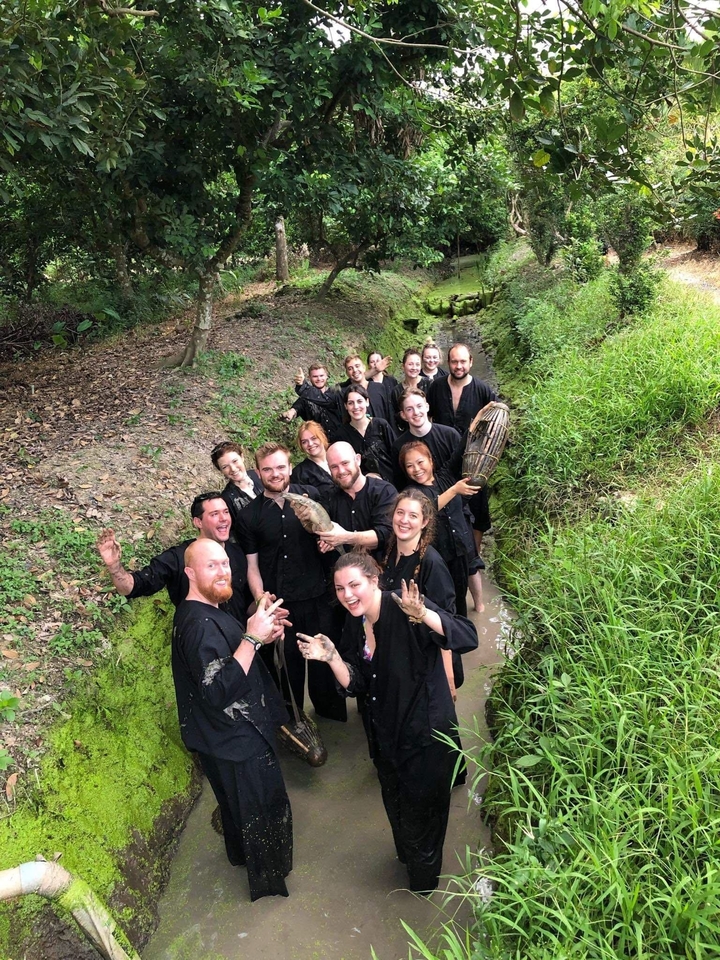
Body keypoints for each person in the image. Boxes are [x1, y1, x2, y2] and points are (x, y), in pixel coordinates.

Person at [297, 552, 478, 893]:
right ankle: (409, 864)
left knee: (423, 823)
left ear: (374, 580)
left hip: (425, 738)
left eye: (354, 585)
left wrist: (424, 615)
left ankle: (423, 891)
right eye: (340, 588)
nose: (347, 595)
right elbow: (358, 683)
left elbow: (467, 636)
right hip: (386, 740)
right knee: (398, 814)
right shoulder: (356, 621)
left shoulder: (405, 608)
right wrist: (332, 658)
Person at [172, 539, 292, 901]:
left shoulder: (209, 609)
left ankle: (241, 856)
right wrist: (252, 639)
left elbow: (228, 658)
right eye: (212, 566)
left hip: (223, 736)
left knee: (236, 807)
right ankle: (269, 885)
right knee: (261, 810)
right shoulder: (198, 624)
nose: (223, 571)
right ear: (190, 573)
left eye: (225, 563)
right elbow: (217, 690)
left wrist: (261, 637)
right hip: (235, 739)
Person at [234, 442, 347, 722]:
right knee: (286, 671)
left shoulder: (312, 497)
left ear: (290, 467)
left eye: (280, 467)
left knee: (324, 664)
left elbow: (333, 535)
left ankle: (331, 720)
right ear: (258, 472)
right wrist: (260, 598)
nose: (275, 474)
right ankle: (292, 724)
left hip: (320, 597)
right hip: (281, 606)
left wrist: (327, 542)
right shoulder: (248, 516)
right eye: (267, 469)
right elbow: (252, 565)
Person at [96, 492, 250, 625]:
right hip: (201, 638)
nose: (224, 518)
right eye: (214, 514)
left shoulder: (237, 552)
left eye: (226, 512)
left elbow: (245, 602)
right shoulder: (177, 558)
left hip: (241, 636)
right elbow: (130, 587)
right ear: (198, 522)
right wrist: (114, 565)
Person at [380, 489, 461, 696]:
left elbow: (446, 621)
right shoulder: (389, 550)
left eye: (413, 515)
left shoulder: (432, 564)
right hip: (399, 654)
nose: (404, 520)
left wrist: (448, 677)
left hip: (426, 661)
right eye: (400, 513)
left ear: (424, 522)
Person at [426, 342, 498, 559]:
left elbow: (496, 424)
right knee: (445, 509)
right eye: (454, 361)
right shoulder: (436, 387)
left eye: (463, 361)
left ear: (471, 362)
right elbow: (428, 419)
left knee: (477, 511)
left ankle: (474, 558)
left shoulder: (483, 390)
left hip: (474, 463)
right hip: (443, 461)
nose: (458, 366)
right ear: (448, 363)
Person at [398, 441, 481, 616]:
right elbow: (426, 509)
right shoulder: (412, 493)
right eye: (410, 466)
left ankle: (461, 627)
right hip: (436, 557)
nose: (416, 469)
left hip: (459, 551)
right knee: (440, 600)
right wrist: (454, 490)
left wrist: (472, 429)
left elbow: (460, 450)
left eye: (420, 462)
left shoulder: (446, 476)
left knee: (460, 596)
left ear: (431, 460)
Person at [311, 441, 396, 556]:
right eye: (334, 467)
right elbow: (318, 532)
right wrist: (325, 542)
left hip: (378, 565)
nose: (341, 471)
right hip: (340, 566)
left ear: (358, 460)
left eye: (345, 463)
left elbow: (386, 534)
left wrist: (345, 537)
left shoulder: (384, 491)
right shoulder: (328, 497)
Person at [390, 387, 460, 488]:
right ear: (403, 415)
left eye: (419, 406)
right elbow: (401, 483)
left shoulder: (450, 435)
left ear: (427, 407)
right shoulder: (398, 446)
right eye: (409, 409)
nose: (416, 412)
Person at [329, 385, 397, 484]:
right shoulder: (341, 436)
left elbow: (396, 454)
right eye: (351, 403)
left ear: (367, 402)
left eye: (359, 401)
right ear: (345, 406)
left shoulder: (381, 425)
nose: (356, 407)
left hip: (394, 484)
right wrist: (366, 475)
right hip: (363, 487)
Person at [279, 363, 344, 436]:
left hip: (340, 436)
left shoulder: (335, 393)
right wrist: (290, 413)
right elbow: (297, 407)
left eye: (321, 375)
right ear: (309, 378)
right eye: (315, 376)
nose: (319, 379)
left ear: (327, 376)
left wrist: (303, 387)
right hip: (317, 438)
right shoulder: (306, 398)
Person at [211, 441, 263, 531]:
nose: (233, 469)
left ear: (242, 457)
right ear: (221, 471)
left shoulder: (258, 475)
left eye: (235, 461)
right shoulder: (226, 500)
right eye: (225, 467)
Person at [341, 354, 394, 423]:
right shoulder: (346, 394)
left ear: (364, 367)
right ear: (347, 373)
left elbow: (389, 412)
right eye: (350, 369)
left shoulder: (379, 387)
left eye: (357, 366)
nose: (355, 370)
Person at [289, 421, 335, 493]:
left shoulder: (339, 458)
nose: (310, 444)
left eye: (314, 438)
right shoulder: (299, 474)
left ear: (322, 436)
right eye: (304, 442)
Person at [390, 349, 429, 430]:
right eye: (410, 364)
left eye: (417, 364)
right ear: (403, 366)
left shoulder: (429, 384)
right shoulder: (396, 391)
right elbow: (395, 417)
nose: (414, 368)